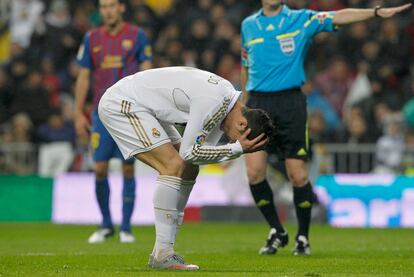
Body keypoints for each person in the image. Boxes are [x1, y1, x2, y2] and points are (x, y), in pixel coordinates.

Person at [240, 0, 411, 256]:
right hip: (257, 104)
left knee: (298, 175)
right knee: (254, 173)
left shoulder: (301, 19)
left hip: (290, 103)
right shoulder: (248, 25)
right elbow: (245, 66)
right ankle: (277, 230)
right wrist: (243, 106)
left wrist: (375, 12)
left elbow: (339, 16)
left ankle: (303, 237)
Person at [98, 66, 273, 270]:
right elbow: (189, 152)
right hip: (123, 103)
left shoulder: (226, 103)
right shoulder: (214, 103)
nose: (232, 140)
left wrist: (235, 148)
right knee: (172, 166)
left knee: (189, 169)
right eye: (237, 137)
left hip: (147, 108)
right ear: (242, 124)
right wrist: (237, 148)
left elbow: (197, 156)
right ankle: (163, 254)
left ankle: (163, 250)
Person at [75, 0, 152, 244]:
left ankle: (126, 227)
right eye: (103, 6)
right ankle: (106, 224)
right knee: (99, 168)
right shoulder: (92, 38)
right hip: (100, 113)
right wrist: (78, 112)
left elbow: (147, 71)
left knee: (128, 167)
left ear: (121, 8)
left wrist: (147, 106)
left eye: (111, 5)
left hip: (128, 113)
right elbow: (84, 75)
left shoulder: (137, 35)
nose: (107, 10)